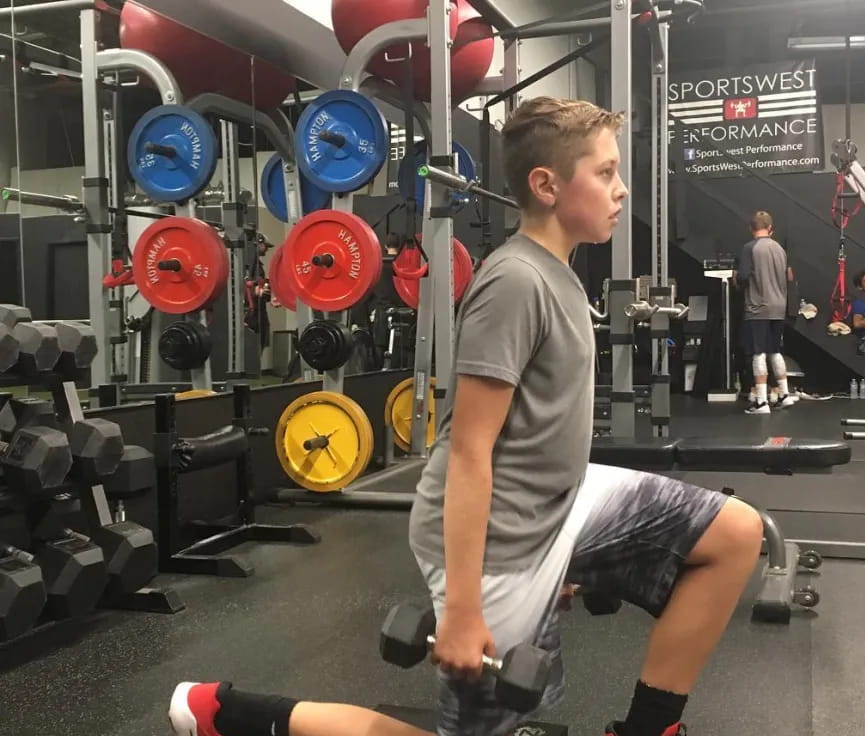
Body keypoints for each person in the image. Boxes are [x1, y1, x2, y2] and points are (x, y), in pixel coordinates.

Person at [166, 97, 763, 736]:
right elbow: (468, 451)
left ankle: (650, 729)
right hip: (500, 540)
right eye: (606, 173)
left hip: (560, 504)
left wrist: (574, 553)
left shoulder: (559, 273)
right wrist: (461, 607)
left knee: (733, 534)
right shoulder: (514, 284)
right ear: (547, 185)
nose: (621, 191)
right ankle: (225, 712)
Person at [736, 211, 797, 414]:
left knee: (759, 353)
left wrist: (736, 278)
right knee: (775, 351)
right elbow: (788, 277)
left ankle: (761, 402)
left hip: (758, 307)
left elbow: (743, 277)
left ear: (751, 228)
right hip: (779, 307)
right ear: (770, 228)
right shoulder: (780, 249)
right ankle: (784, 394)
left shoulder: (749, 248)